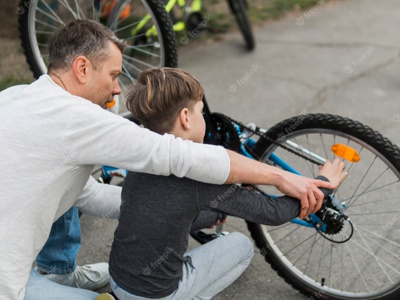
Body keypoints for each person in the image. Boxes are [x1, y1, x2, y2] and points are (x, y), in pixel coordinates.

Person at [0, 20, 334, 300]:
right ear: (82, 68)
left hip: (113, 276)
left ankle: (58, 276)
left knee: (64, 184)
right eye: (115, 75)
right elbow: (176, 155)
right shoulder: (78, 120)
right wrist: (278, 177)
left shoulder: (17, 96)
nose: (117, 90)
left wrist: (149, 206)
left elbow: (80, 192)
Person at [108, 68, 348, 300]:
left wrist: (215, 213)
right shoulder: (199, 174)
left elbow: (172, 214)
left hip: (118, 282)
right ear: (185, 118)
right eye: (200, 112)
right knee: (241, 246)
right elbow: (274, 213)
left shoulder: (141, 158)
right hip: (158, 295)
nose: (203, 117)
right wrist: (323, 184)